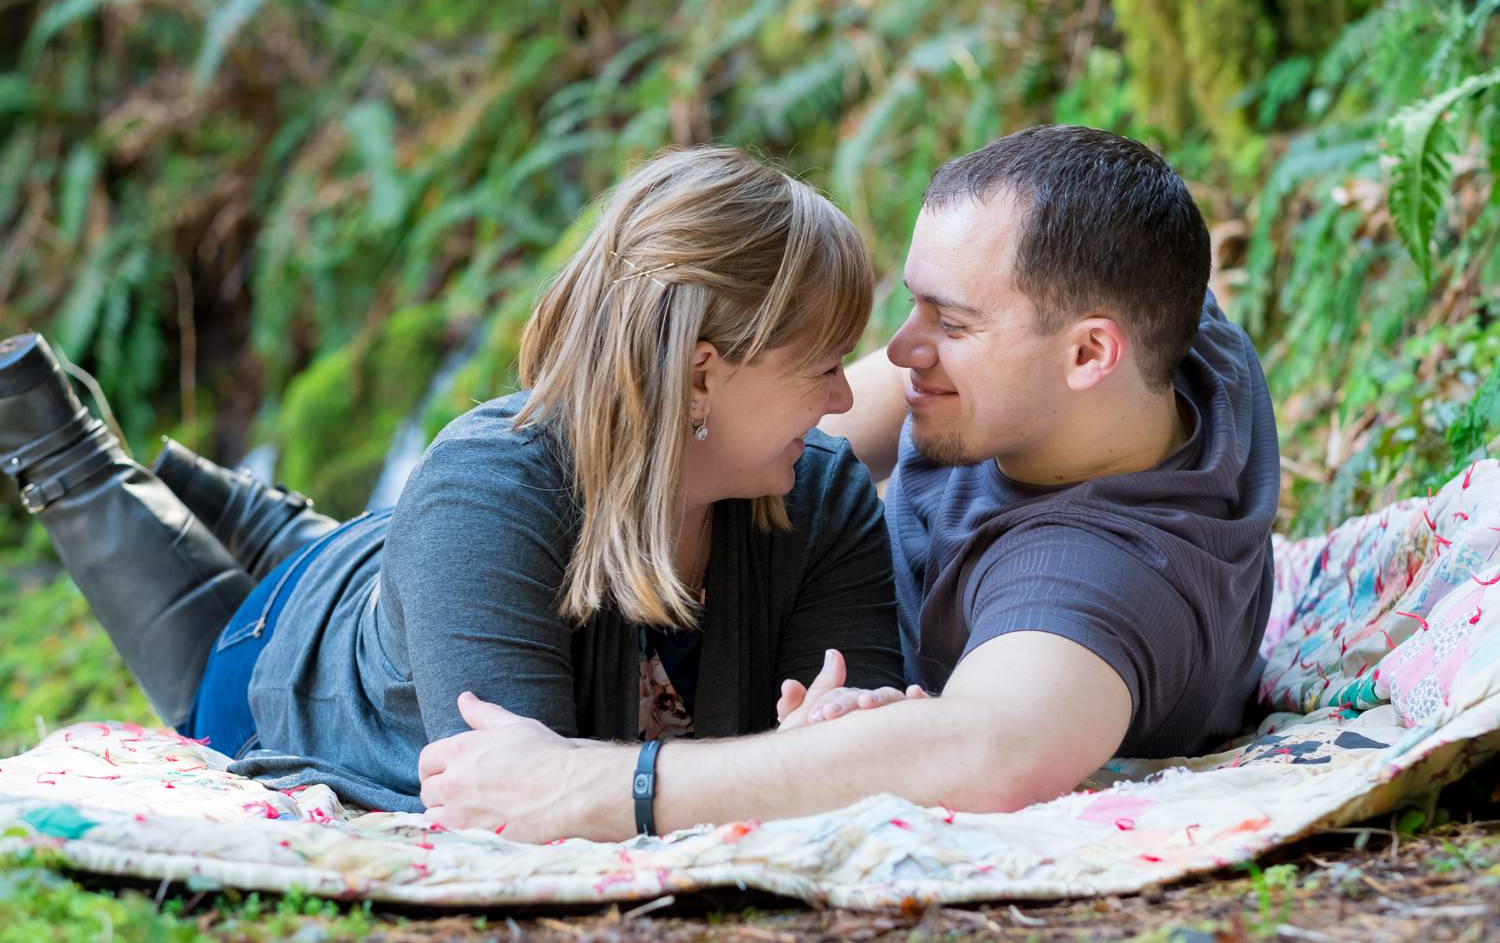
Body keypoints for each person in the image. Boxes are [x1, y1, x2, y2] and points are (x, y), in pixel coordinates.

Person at [417, 125, 1281, 841]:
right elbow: (711, 419)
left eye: (951, 322)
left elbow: (990, 749)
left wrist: (599, 790)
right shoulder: (1165, 337)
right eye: (916, 303)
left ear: (1091, 353)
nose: (899, 352)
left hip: (755, 626)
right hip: (485, 577)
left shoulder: (1095, 581)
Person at [0, 146, 909, 812]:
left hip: (432, 566)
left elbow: (857, 756)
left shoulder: (821, 493)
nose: (844, 399)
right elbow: (519, 808)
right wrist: (781, 768)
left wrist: (841, 740)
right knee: (152, 583)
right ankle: (66, 448)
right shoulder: (488, 488)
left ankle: (237, 501)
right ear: (703, 372)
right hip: (293, 638)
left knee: (413, 548)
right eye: (822, 364)